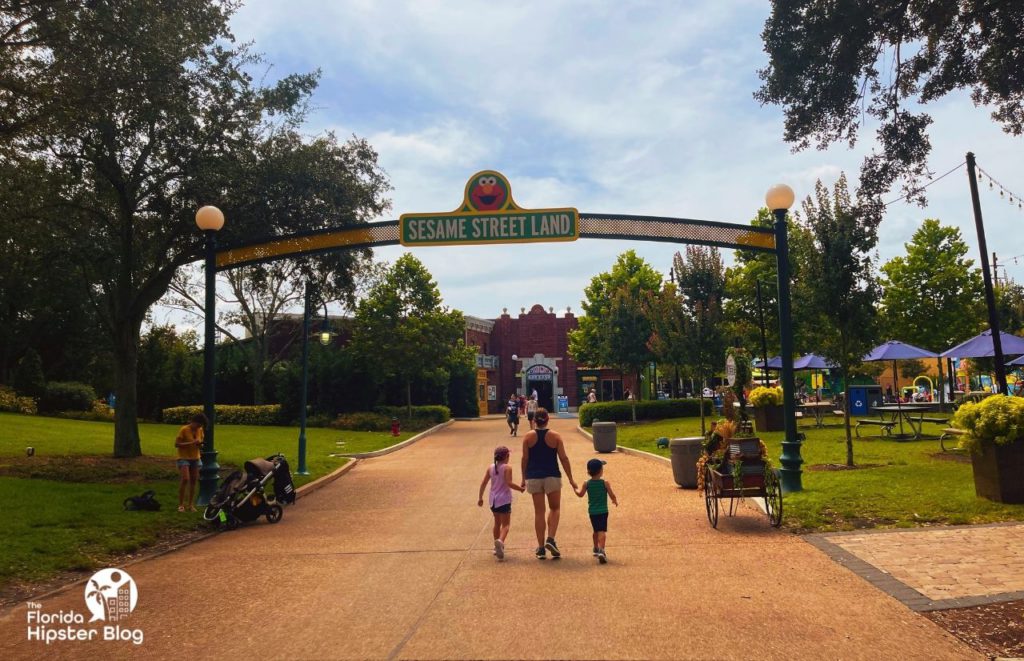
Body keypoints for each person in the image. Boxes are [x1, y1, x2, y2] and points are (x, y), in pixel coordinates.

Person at [520, 408, 576, 559]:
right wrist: (571, 478)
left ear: (534, 421)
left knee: (539, 512)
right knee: (555, 508)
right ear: (547, 419)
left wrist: (522, 478)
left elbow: (524, 459)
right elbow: (564, 458)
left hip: (533, 476)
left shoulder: (528, 437)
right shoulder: (555, 436)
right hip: (552, 475)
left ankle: (540, 548)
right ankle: (550, 538)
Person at [477, 445, 524, 560]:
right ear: (507, 456)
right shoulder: (507, 468)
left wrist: (480, 497)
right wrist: (521, 489)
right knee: (506, 525)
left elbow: (483, 483)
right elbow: (509, 483)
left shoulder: (491, 467)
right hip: (504, 500)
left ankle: (495, 546)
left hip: (493, 500)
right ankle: (500, 542)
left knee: (497, 524)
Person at [575, 458, 618, 563]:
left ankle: (595, 547)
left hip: (592, 512)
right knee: (602, 531)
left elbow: (580, 494)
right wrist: (614, 500)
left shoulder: (587, 484)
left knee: (595, 530)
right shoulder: (605, 483)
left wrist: (575, 489)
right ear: (600, 471)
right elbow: (612, 494)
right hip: (603, 511)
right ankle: (602, 550)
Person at [174, 413, 206, 512]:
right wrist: (191, 443)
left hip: (195, 458)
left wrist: (200, 445)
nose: (199, 427)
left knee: (193, 481)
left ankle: (191, 504)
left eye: (200, 426)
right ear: (193, 422)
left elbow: (200, 444)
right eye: (198, 425)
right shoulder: (184, 429)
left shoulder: (200, 430)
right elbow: (177, 444)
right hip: (184, 457)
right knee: (185, 479)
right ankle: (181, 504)